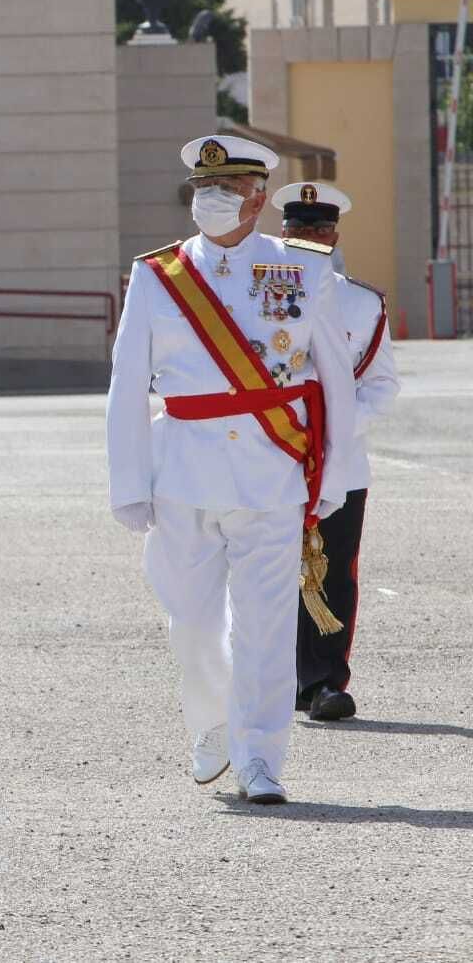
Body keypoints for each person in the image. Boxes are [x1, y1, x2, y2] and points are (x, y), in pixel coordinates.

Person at [106, 135, 355, 806]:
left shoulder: (302, 269)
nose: (210, 202)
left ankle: (261, 757)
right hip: (183, 470)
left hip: (270, 473)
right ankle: (211, 721)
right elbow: (127, 382)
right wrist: (128, 481)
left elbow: (334, 378)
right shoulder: (158, 276)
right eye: (201, 190)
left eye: (225, 190)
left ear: (255, 197)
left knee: (267, 623)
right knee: (190, 619)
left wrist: (337, 473)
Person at [272, 182, 401, 722]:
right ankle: (271, 679)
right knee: (267, 567)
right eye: (299, 230)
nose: (309, 239)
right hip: (268, 453)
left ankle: (323, 682)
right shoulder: (257, 299)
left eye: (319, 230)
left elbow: (381, 385)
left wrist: (335, 430)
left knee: (333, 570)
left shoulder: (362, 303)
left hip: (338, 460)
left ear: (335, 235)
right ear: (282, 234)